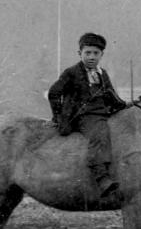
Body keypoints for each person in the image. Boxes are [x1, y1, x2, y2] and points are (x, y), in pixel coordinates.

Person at [48, 32, 128, 197]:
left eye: (96, 53)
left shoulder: (102, 74)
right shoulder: (71, 73)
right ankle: (101, 177)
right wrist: (58, 116)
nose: (92, 57)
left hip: (103, 114)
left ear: (101, 55)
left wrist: (128, 105)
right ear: (80, 53)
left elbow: (113, 97)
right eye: (88, 53)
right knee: (99, 133)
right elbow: (54, 93)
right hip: (83, 117)